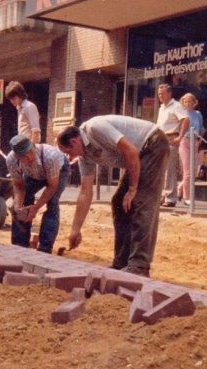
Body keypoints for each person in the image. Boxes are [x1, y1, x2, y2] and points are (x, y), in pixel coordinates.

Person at [56, 115, 169, 276]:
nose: (70, 158)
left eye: (68, 152)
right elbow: (85, 192)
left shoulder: (95, 128)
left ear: (74, 142)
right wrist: (75, 230)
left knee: (141, 202)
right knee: (118, 202)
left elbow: (130, 151)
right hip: (136, 156)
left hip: (152, 144)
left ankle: (139, 266)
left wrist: (132, 189)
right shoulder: (84, 157)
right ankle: (121, 262)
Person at [6, 134, 70, 254]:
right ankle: (19, 245)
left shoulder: (51, 156)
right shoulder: (11, 160)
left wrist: (35, 208)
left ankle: (45, 249)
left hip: (58, 171)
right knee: (23, 203)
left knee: (52, 203)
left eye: (30, 152)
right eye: (24, 156)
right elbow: (19, 186)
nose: (29, 158)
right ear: (17, 156)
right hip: (33, 175)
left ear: (34, 147)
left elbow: (52, 186)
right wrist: (18, 208)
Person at [155, 84, 189, 207]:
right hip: (160, 138)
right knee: (160, 169)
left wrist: (180, 137)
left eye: (162, 93)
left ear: (169, 94)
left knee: (169, 169)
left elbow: (185, 120)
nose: (160, 96)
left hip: (171, 138)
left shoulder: (176, 106)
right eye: (159, 94)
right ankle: (162, 196)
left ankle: (170, 198)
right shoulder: (161, 108)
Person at [177, 93, 204, 206]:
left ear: (194, 103)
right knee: (188, 171)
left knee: (192, 171)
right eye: (186, 102)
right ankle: (187, 198)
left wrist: (199, 141)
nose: (188, 104)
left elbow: (201, 128)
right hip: (185, 141)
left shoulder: (198, 114)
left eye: (190, 102)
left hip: (195, 141)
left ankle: (180, 187)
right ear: (183, 103)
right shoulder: (181, 114)